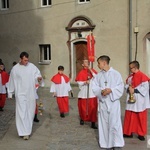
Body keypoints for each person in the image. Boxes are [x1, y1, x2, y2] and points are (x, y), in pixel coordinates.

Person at [7, 51, 44, 140]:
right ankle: (23, 132)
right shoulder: (15, 69)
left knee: (30, 112)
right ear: (20, 59)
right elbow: (11, 80)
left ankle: (27, 131)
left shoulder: (32, 67)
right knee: (22, 112)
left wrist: (39, 79)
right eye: (25, 60)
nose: (26, 62)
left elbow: (38, 76)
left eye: (27, 60)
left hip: (30, 93)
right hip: (20, 94)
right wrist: (10, 92)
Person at [92, 55, 124, 149]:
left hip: (113, 102)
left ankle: (116, 143)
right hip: (103, 102)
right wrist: (101, 91)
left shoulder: (116, 74)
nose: (97, 65)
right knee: (104, 123)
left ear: (104, 63)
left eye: (99, 63)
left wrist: (111, 90)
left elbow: (120, 87)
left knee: (114, 123)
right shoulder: (99, 75)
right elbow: (94, 87)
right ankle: (106, 143)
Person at [123, 60, 150, 141]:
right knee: (129, 115)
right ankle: (128, 132)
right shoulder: (131, 76)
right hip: (131, 98)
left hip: (139, 99)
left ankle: (141, 134)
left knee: (140, 117)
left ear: (135, 68)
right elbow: (127, 84)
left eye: (131, 68)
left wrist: (134, 90)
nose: (130, 69)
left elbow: (145, 88)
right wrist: (128, 88)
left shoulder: (143, 76)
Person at [75, 59, 98, 129]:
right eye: (85, 62)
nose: (87, 63)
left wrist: (90, 70)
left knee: (93, 108)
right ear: (82, 64)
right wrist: (85, 82)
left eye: (87, 62)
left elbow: (97, 78)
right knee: (83, 107)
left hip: (92, 93)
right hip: (84, 92)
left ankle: (93, 122)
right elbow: (79, 82)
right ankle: (82, 118)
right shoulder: (81, 72)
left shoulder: (92, 71)